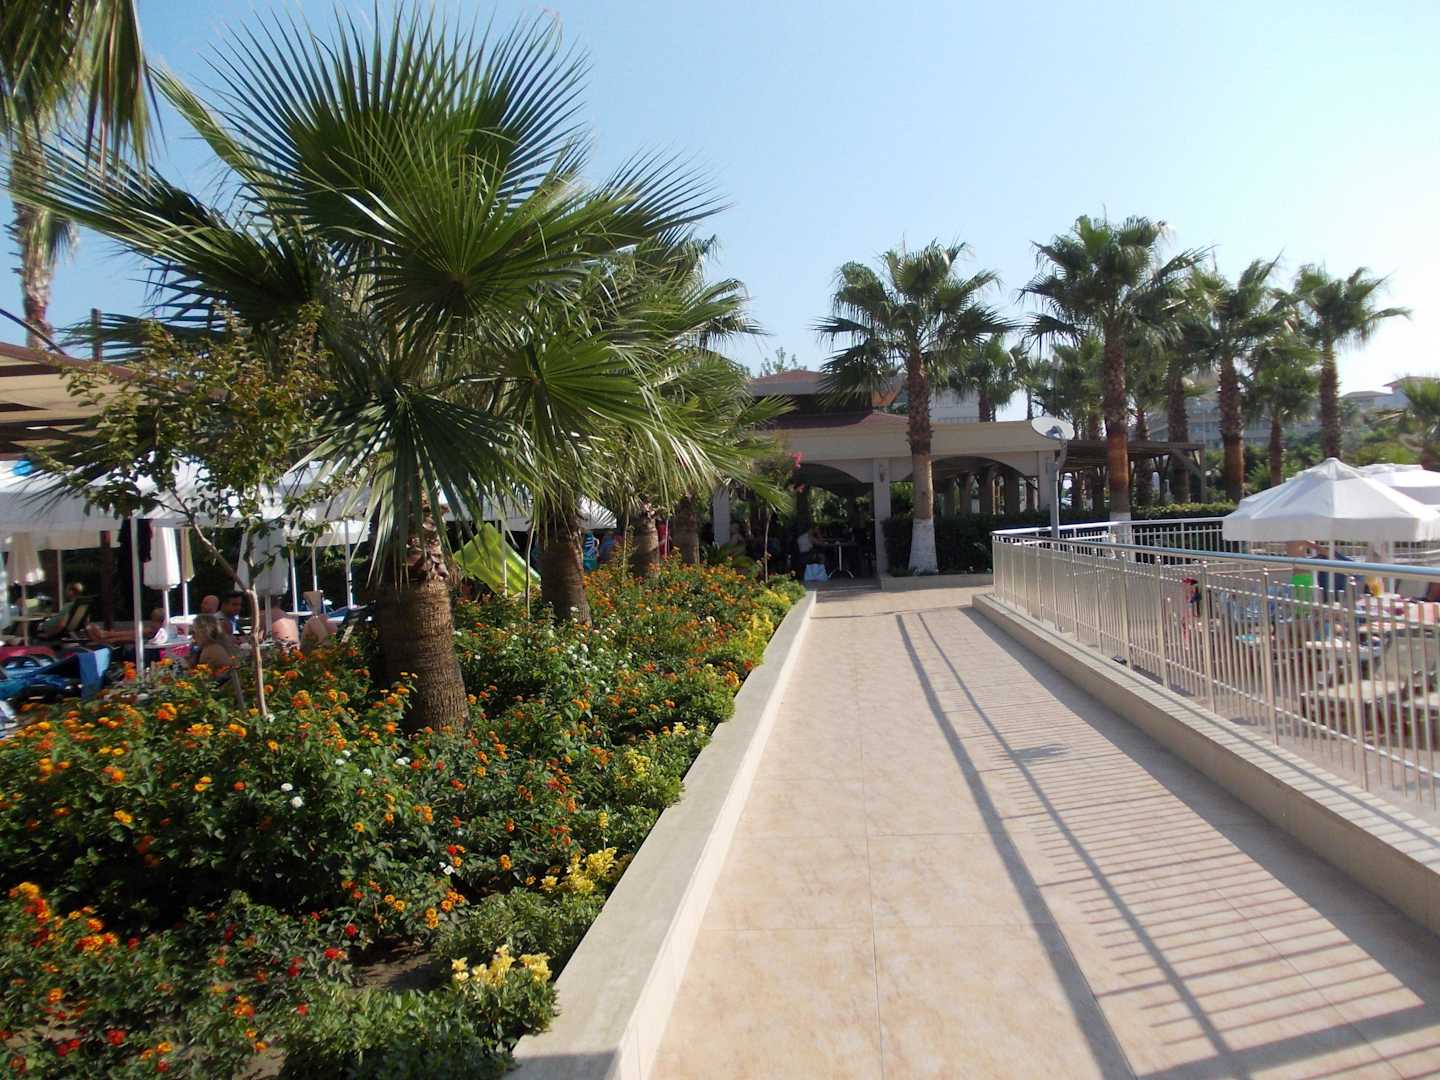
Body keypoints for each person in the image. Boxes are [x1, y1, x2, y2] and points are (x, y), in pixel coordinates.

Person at [87, 607, 170, 647]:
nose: (152, 623)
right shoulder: (155, 630)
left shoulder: (164, 630)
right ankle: (107, 636)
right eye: (152, 621)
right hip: (148, 640)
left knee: (139, 635)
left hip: (151, 645)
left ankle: (107, 637)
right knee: (140, 634)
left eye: (155, 621)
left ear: (162, 622)